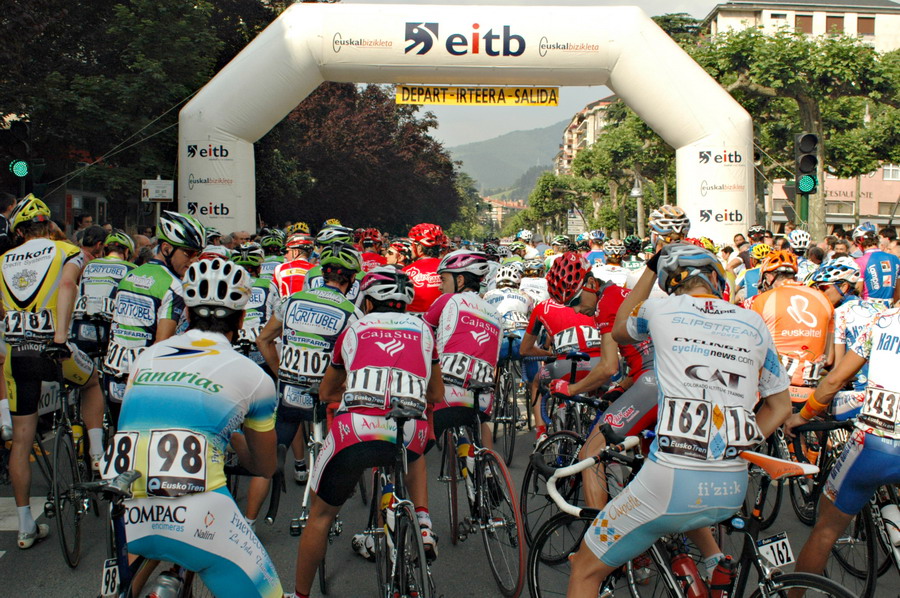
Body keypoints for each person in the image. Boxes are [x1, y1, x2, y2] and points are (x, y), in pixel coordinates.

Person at [566, 242, 791, 595]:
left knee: (584, 569)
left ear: (670, 283)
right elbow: (780, 407)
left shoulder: (659, 308)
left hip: (669, 482)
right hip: (732, 485)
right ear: (717, 279)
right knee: (687, 509)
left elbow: (620, 327)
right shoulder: (753, 322)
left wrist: (649, 269)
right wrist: (735, 446)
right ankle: (712, 565)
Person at [115, 257, 283, 597]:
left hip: (128, 511)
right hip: (198, 516)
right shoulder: (254, 376)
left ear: (188, 315)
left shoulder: (147, 357)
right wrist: (233, 438)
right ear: (241, 319)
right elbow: (265, 467)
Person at [295, 267, 443, 597]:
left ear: (369, 302)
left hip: (356, 430)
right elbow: (435, 393)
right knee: (413, 448)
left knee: (320, 515)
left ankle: (299, 594)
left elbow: (326, 391)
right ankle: (422, 521)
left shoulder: (355, 328)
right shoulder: (423, 330)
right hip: (408, 429)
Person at [1, 195, 105, 548]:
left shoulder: (2, 260)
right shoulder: (66, 251)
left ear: (18, 231)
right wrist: (60, 337)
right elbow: (67, 285)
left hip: (17, 354)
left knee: (21, 440)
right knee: (92, 383)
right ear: (48, 224)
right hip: (53, 348)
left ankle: (25, 526)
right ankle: (97, 454)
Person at [784, 300, 900, 589]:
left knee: (826, 529)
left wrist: (802, 416)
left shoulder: (882, 320)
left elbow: (835, 379)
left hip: (874, 443)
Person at [257, 242, 363, 487]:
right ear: (351, 279)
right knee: (340, 454)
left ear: (322, 272)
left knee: (267, 465)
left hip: (289, 392)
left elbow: (263, 340)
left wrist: (280, 372)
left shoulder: (291, 301)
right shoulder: (353, 314)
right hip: (327, 396)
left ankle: (254, 509)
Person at [103, 211, 204, 422]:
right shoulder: (174, 287)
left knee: (120, 435)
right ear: (166, 248)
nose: (193, 260)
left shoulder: (130, 275)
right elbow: (162, 344)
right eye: (188, 253)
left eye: (197, 254)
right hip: (144, 378)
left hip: (114, 371)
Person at [749, 250, 834, 393]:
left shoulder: (763, 300)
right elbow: (829, 358)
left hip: (775, 387)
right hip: (810, 386)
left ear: (769, 276)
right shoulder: (823, 299)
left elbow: (753, 350)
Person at [70, 230, 136, 358]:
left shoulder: (89, 265)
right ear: (127, 251)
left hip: (81, 323)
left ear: (105, 250)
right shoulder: (132, 269)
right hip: (109, 327)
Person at [852, 222, 900, 307]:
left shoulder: (859, 262)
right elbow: (898, 291)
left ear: (859, 240)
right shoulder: (894, 259)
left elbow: (857, 292)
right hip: (889, 306)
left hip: (869, 307)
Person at [403, 223, 446, 315]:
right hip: (443, 319)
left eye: (412, 244)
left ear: (419, 248)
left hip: (413, 321)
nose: (410, 247)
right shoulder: (448, 268)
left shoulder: (405, 271)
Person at [273, 232, 316, 297]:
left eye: (287, 252)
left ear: (296, 252)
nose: (285, 256)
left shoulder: (280, 268)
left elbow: (273, 294)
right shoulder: (316, 270)